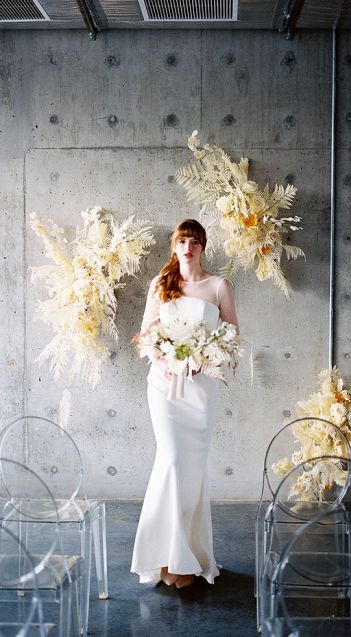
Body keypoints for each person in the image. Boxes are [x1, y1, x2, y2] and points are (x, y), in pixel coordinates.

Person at [130, 218, 239, 589]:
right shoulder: (161, 285)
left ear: (203, 247)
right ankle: (164, 556)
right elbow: (145, 336)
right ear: (174, 247)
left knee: (192, 469)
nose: (187, 247)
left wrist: (206, 359)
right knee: (171, 459)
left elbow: (233, 336)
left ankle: (185, 556)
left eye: (194, 241)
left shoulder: (219, 286)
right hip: (163, 386)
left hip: (200, 389)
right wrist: (165, 359)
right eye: (181, 241)